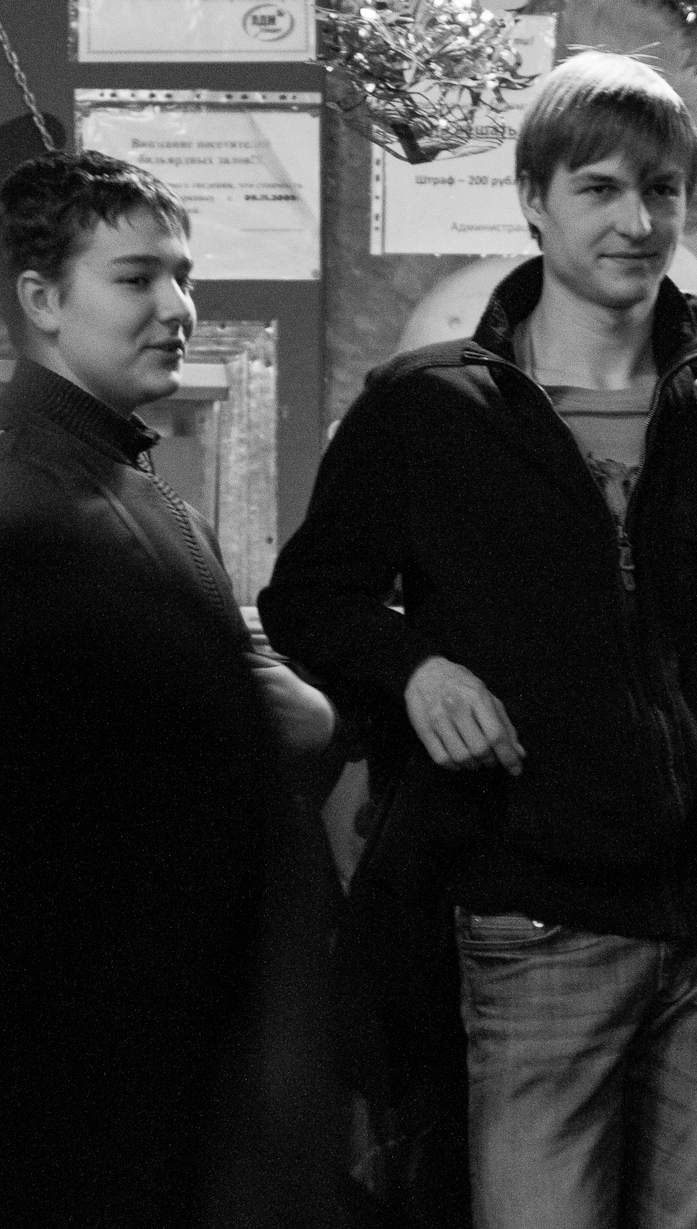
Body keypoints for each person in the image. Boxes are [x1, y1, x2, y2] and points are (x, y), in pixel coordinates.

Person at [260, 52, 697, 1229]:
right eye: (600, 188)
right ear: (534, 198)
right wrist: (415, 666)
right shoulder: (431, 403)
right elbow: (310, 599)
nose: (637, 221)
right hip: (537, 915)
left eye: (663, 190)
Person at [0, 150, 334, 1226]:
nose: (179, 308)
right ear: (41, 299)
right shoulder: (27, 506)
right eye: (137, 278)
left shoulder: (145, 494)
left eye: (183, 277)